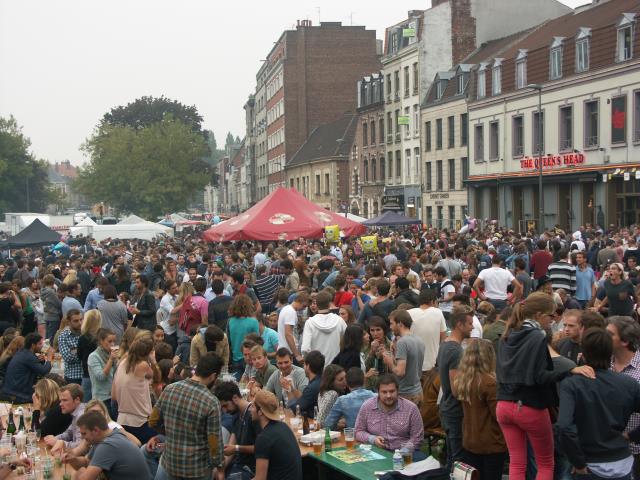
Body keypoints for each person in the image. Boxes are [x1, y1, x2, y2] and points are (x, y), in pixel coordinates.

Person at [496, 292, 595, 480]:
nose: (552, 320)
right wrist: (570, 370)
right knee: (545, 462)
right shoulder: (537, 336)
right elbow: (540, 376)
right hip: (530, 406)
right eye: (551, 316)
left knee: (517, 462)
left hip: (504, 405)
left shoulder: (508, 333)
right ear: (539, 315)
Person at [557, 327, 640, 480]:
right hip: (621, 461)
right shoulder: (629, 384)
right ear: (610, 351)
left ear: (584, 351)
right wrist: (632, 435)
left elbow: (564, 426)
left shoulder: (572, 385)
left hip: (589, 462)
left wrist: (578, 462)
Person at [149, 353, 225, 480]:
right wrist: (220, 467)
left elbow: (152, 421)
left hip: (170, 463)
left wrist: (170, 433)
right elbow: (214, 442)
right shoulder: (211, 402)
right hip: (197, 470)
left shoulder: (169, 389)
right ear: (213, 376)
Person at [452, 339, 506, 480]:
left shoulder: (463, 380)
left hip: (470, 441)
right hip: (491, 443)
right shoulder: (489, 382)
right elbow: (498, 415)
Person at [61, 410, 149, 480]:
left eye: (84, 434)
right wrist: (73, 459)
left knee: (80, 472)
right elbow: (86, 461)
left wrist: (79, 473)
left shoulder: (107, 446)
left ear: (95, 430)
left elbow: (85, 478)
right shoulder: (109, 435)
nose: (83, 438)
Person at [437, 309, 474, 470]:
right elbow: (456, 389)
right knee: (458, 459)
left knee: (453, 455)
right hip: (454, 411)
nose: (472, 327)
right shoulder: (455, 350)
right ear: (459, 324)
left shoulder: (446, 344)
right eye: (470, 324)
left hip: (447, 408)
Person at [354, 374, 424, 454]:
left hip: (405, 453)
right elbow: (358, 431)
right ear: (378, 392)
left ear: (397, 390)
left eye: (392, 391)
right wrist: (373, 439)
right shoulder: (367, 406)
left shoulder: (411, 408)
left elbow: (417, 437)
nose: (388, 395)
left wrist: (403, 452)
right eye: (384, 392)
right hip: (377, 452)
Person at [608, 315, 640, 477]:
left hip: (636, 449)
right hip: (607, 450)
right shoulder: (604, 364)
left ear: (625, 341)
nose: (604, 338)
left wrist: (629, 436)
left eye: (610, 334)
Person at [111, 335, 156, 443]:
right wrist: (153, 360)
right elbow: (156, 377)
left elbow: (113, 396)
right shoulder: (143, 365)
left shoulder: (122, 363)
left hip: (122, 420)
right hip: (140, 421)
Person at [252, 389, 303, 480]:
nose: (250, 410)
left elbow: (260, 478)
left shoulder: (264, 438)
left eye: (252, 406)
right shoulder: (284, 426)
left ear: (260, 412)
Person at [214, 381, 261, 478]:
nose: (225, 411)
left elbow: (262, 448)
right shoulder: (236, 415)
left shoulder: (253, 416)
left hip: (251, 468)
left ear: (235, 398)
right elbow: (230, 450)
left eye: (225, 406)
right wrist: (220, 470)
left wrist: (236, 448)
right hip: (238, 464)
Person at [383, 309, 425, 408]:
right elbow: (412, 364)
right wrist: (394, 353)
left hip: (406, 394)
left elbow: (400, 372)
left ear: (400, 324)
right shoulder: (419, 340)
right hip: (418, 391)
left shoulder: (403, 342)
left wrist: (389, 362)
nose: (390, 327)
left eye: (392, 324)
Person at [408, 289, 447, 386]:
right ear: (433, 301)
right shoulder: (438, 312)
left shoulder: (408, 313)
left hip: (411, 366)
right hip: (431, 366)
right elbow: (444, 339)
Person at [1, 332, 52, 403]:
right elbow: (44, 372)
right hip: (18, 395)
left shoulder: (22, 353)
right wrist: (49, 359)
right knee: (47, 397)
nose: (42, 346)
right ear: (33, 345)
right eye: (40, 344)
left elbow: (35, 368)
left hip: (10, 390)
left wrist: (41, 361)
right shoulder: (28, 356)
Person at [301, 291, 346, 366]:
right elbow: (347, 341)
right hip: (335, 367)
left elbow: (305, 349)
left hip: (316, 367)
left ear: (317, 304)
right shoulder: (339, 320)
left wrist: (307, 364)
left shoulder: (310, 323)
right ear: (329, 304)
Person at [44, 383, 86, 452]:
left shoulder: (82, 416)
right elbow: (68, 434)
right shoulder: (76, 412)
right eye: (61, 400)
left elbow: (80, 446)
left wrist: (59, 443)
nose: (60, 404)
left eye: (65, 400)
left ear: (77, 400)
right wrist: (55, 439)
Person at [87, 328, 118, 417]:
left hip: (113, 396)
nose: (112, 344)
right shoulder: (93, 356)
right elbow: (101, 376)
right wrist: (111, 360)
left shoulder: (110, 354)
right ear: (101, 341)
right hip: (102, 398)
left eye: (114, 341)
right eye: (109, 341)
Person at [228, 294, 260, 378]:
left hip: (235, 358)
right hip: (250, 358)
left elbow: (228, 341)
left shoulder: (230, 321)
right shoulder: (253, 321)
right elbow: (258, 342)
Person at [287, 350, 324, 418]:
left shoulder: (312, 387)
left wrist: (288, 389)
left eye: (304, 364)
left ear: (308, 366)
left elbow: (296, 408)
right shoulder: (322, 380)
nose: (303, 367)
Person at [276, 292, 308, 364]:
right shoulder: (290, 312)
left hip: (285, 349)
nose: (304, 308)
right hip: (288, 352)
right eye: (304, 306)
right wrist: (297, 355)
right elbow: (288, 334)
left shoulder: (286, 309)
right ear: (299, 301)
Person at [78, 309, 102, 402]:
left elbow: (79, 355)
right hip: (101, 373)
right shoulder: (101, 337)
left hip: (87, 373)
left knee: (85, 403)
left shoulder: (83, 338)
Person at [58, 308, 83, 385]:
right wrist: (82, 350)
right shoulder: (63, 336)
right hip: (72, 376)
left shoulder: (84, 333)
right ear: (69, 322)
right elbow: (68, 358)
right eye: (76, 321)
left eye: (81, 319)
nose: (80, 323)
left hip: (86, 376)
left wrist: (74, 350)